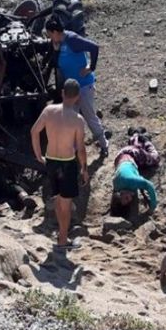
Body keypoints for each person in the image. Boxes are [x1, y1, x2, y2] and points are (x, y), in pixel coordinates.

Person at [31, 79, 89, 250]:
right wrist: (84, 169)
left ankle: (61, 236)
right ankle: (63, 240)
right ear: (77, 97)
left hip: (51, 160)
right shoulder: (77, 119)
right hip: (67, 163)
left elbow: (34, 131)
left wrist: (38, 155)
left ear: (63, 93)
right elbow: (80, 148)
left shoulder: (49, 111)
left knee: (57, 198)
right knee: (66, 202)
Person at [45, 17, 109, 158]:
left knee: (89, 116)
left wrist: (90, 67)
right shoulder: (57, 43)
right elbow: (55, 64)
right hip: (71, 89)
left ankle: (104, 144)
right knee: (70, 119)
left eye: (49, 33)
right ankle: (72, 152)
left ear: (55, 32)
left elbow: (94, 47)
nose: (48, 36)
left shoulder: (72, 39)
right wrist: (55, 51)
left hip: (85, 86)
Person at [111, 133, 159, 217]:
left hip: (130, 153)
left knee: (155, 158)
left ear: (120, 193)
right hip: (119, 159)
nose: (130, 199)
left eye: (126, 198)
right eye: (128, 201)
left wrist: (153, 206)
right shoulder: (118, 186)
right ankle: (134, 140)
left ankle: (142, 139)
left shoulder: (131, 181)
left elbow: (150, 186)